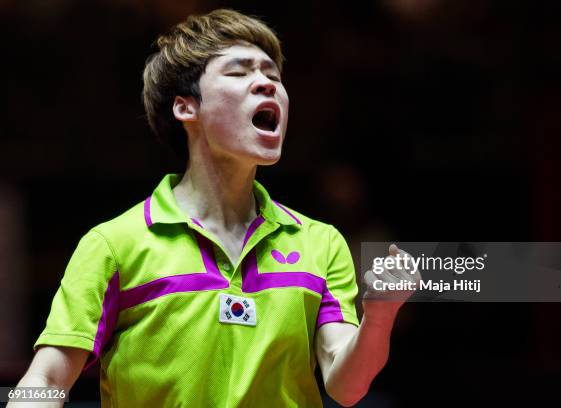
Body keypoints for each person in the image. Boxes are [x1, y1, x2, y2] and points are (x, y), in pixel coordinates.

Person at [10, 9, 417, 408]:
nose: (266, 84)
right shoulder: (114, 244)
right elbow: (47, 377)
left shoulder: (320, 243)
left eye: (273, 76)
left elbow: (347, 387)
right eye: (240, 73)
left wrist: (379, 316)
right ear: (186, 107)